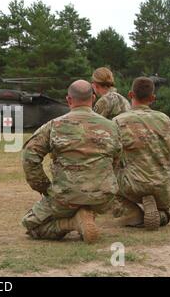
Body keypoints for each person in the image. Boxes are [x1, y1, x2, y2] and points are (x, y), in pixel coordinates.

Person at [21, 80, 121, 244]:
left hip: (66, 197)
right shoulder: (112, 127)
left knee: (31, 225)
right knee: (85, 199)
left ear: (69, 100)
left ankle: (72, 223)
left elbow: (29, 156)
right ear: (93, 98)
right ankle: (86, 214)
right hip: (103, 197)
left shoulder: (54, 125)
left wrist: (44, 187)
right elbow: (117, 159)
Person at [113, 77, 170, 230]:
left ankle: (135, 213)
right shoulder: (166, 120)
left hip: (131, 187)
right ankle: (163, 214)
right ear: (153, 98)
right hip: (161, 187)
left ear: (130, 95)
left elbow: (107, 156)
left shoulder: (118, 121)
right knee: (163, 205)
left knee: (108, 187)